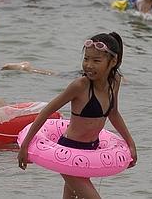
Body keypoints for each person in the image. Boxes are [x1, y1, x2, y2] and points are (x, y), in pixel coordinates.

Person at [17, 33, 137, 198]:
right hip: (68, 150)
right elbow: (46, 112)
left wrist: (131, 144)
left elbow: (114, 113)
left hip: (91, 149)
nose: (88, 65)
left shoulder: (115, 81)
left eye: (96, 61)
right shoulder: (79, 86)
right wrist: (25, 146)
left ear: (113, 62)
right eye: (86, 59)